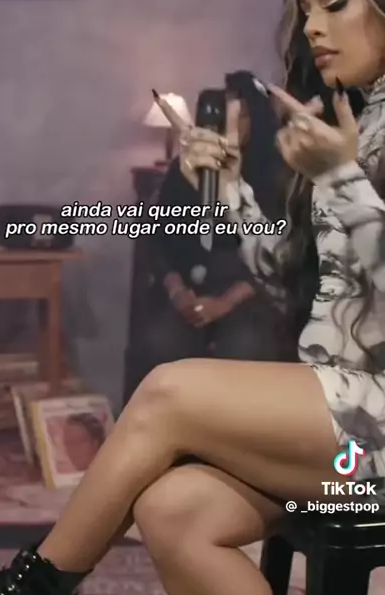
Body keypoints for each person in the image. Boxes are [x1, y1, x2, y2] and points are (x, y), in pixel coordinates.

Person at [0, 0, 385, 595]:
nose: (314, 27)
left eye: (336, 2)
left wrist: (343, 179)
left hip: (369, 439)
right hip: (340, 431)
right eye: (305, 10)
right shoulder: (360, 119)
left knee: (168, 390)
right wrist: (232, 187)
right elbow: (286, 276)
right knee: (171, 510)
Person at [124, 71, 292, 403]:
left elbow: (281, 254)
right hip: (190, 292)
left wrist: (225, 302)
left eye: (242, 116)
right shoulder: (186, 165)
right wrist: (177, 291)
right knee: (159, 344)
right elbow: (158, 237)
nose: (232, 125)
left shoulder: (275, 172)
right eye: (226, 114)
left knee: (243, 348)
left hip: (247, 295)